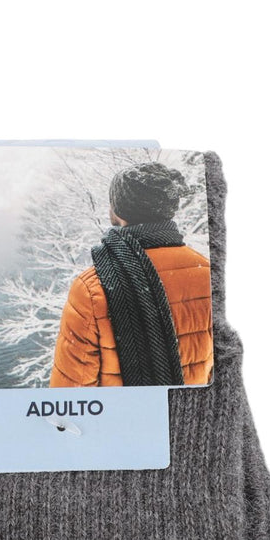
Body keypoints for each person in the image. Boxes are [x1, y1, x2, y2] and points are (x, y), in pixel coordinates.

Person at [50, 162, 213, 387]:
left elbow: (70, 393)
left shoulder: (92, 288)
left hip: (122, 411)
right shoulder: (209, 274)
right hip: (187, 409)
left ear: (118, 210)